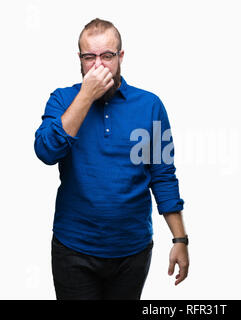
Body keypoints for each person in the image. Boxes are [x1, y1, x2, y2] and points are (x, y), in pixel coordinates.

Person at [34, 18, 189, 300]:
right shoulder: (62, 100)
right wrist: (85, 96)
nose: (98, 65)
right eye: (89, 57)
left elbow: (163, 174)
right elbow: (46, 151)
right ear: (79, 59)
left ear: (121, 56)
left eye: (107, 56)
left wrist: (180, 239)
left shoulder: (149, 105)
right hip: (74, 249)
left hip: (132, 251)